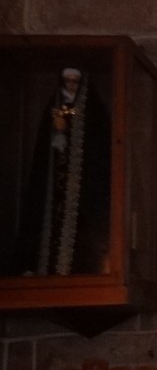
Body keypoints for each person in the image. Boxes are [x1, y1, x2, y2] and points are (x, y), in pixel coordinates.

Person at [13, 66, 111, 276]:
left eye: (75, 81)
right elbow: (44, 147)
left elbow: (99, 145)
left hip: (83, 185)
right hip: (55, 180)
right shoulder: (54, 104)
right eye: (68, 81)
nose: (71, 85)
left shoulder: (93, 108)